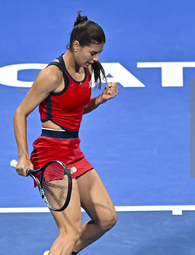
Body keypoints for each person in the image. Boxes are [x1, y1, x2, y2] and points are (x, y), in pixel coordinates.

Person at [13, 11, 118, 255]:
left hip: (73, 152)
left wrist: (100, 100)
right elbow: (20, 113)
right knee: (70, 231)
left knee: (106, 218)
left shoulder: (86, 70)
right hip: (50, 157)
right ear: (76, 45)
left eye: (99, 52)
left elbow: (76, 109)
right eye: (93, 52)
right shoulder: (52, 75)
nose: (97, 57)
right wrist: (23, 156)